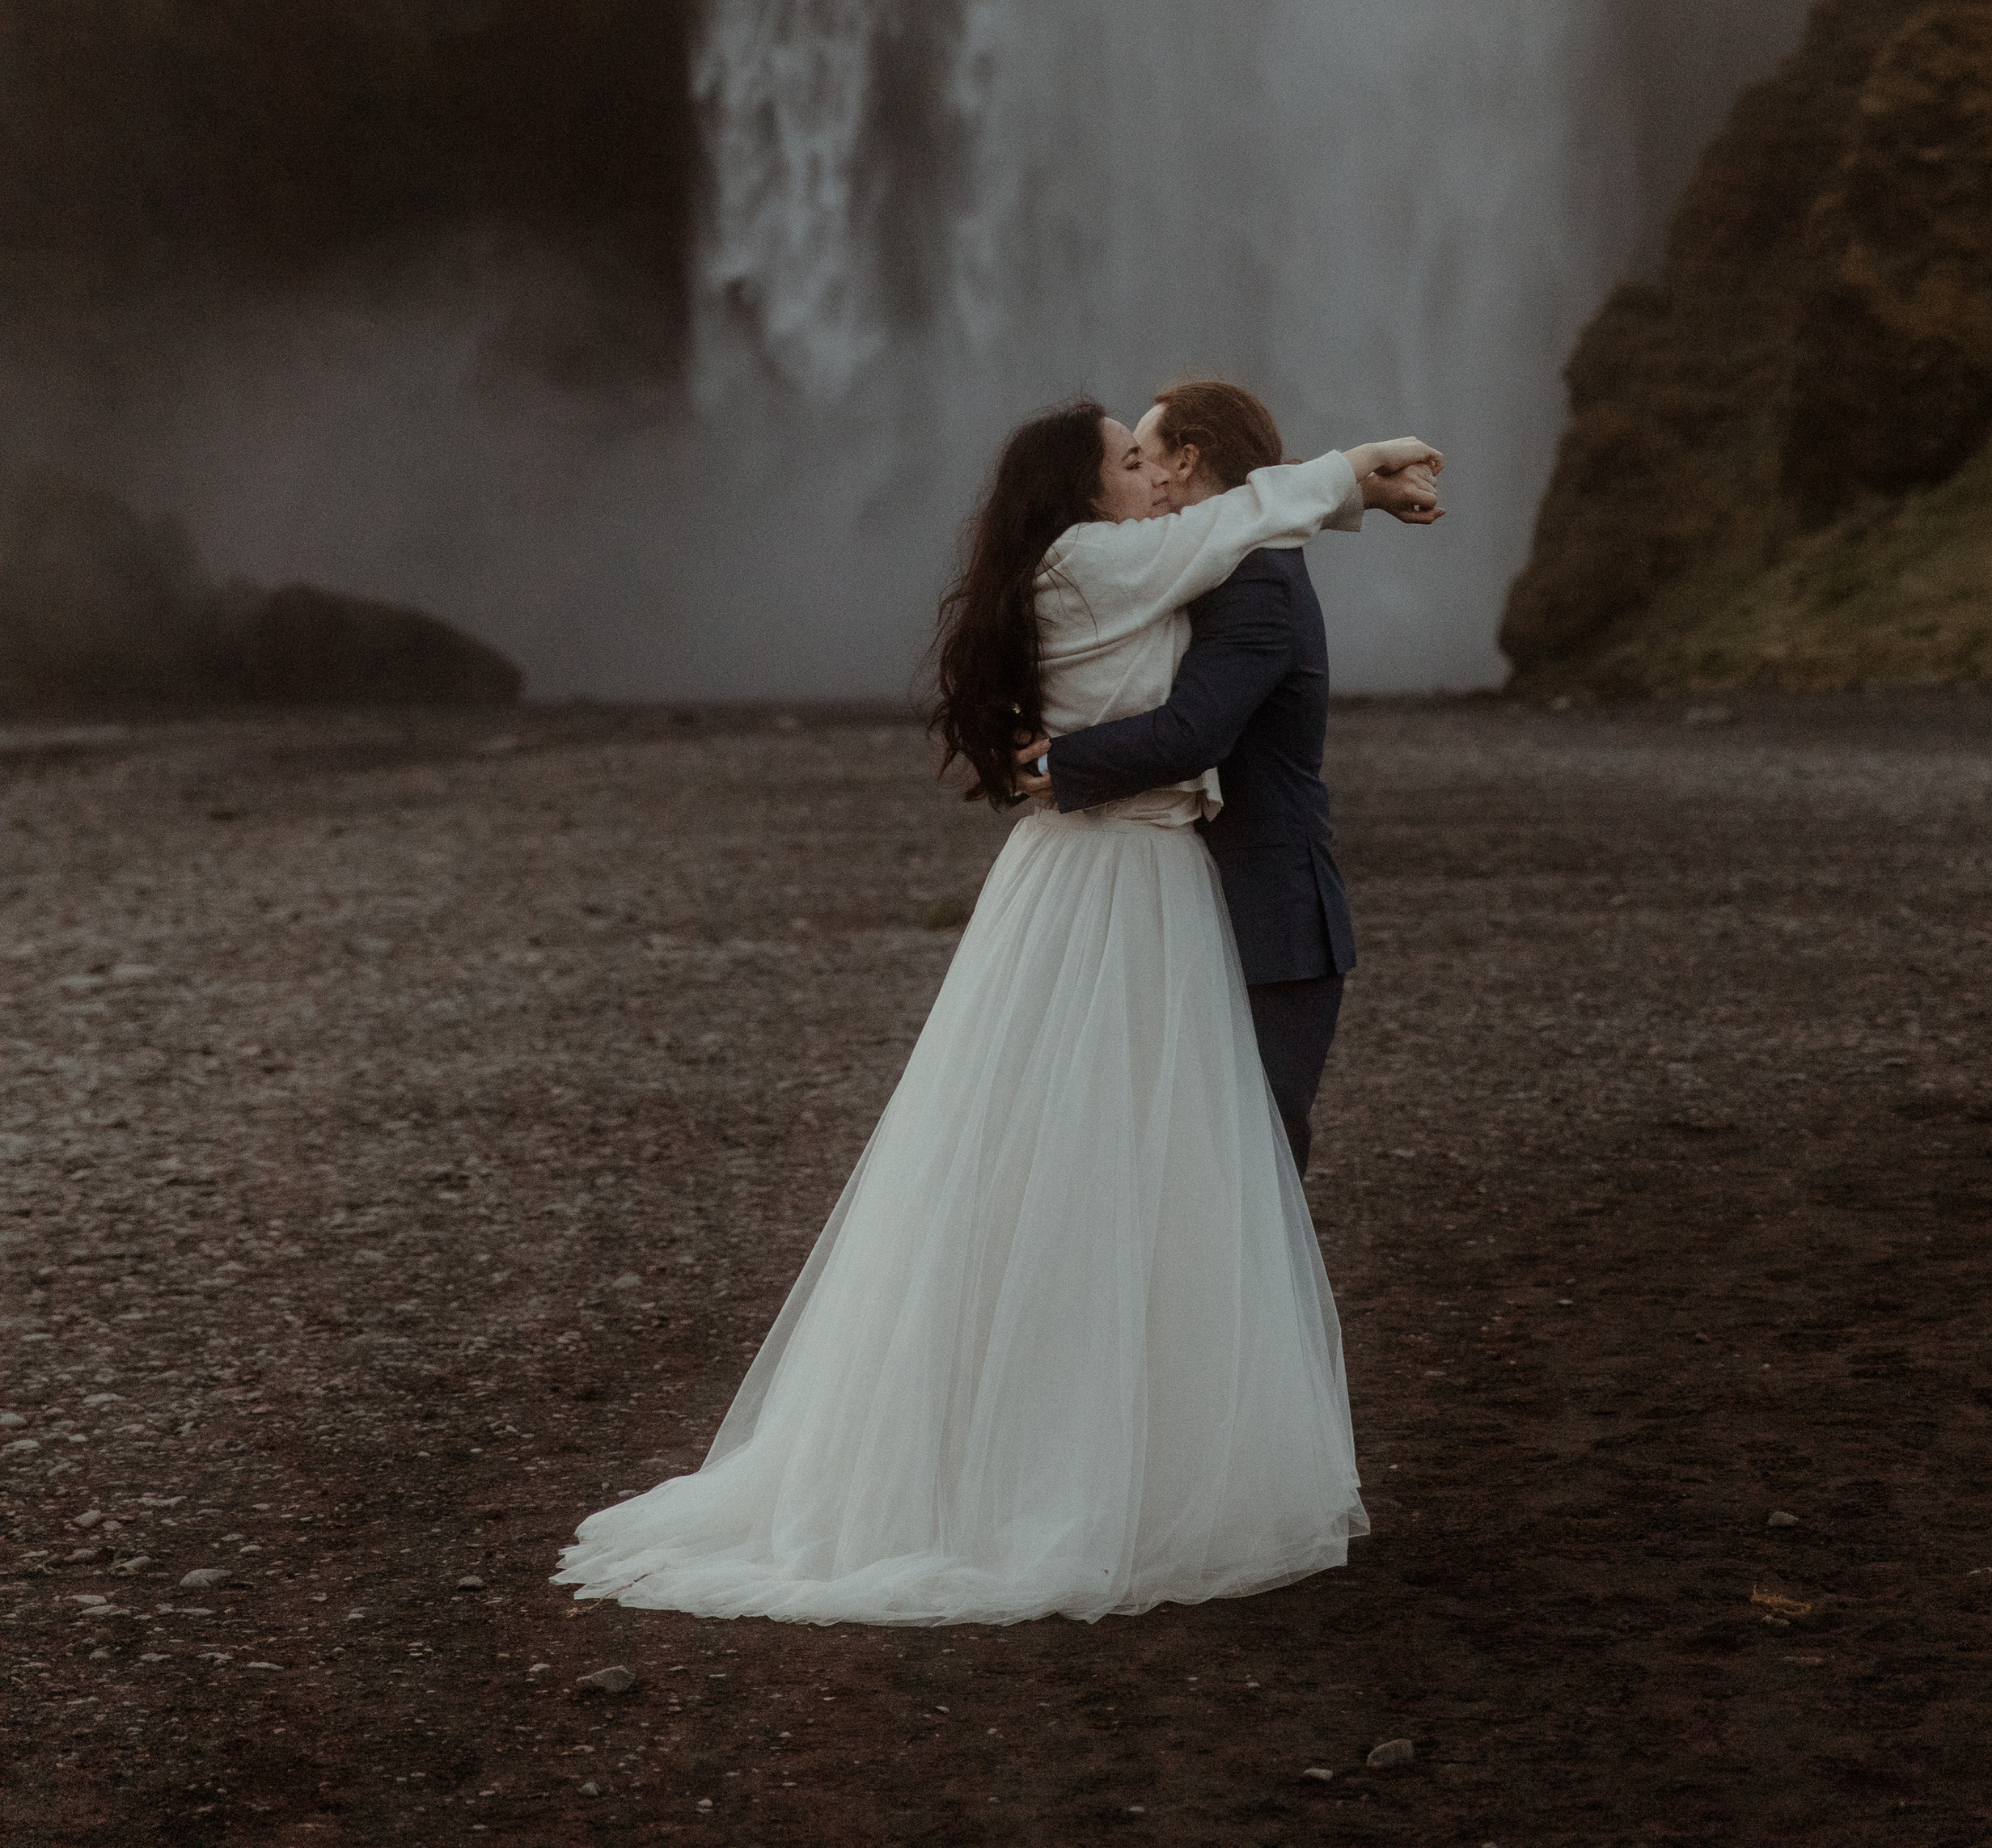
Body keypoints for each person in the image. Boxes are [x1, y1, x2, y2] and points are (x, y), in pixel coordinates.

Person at [554, 400, 1442, 1627]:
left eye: (1158, 452)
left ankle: (1068, 1431)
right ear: (1082, 495)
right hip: (1120, 879)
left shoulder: (1103, 566)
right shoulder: (1098, 562)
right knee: (1115, 1160)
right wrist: (1354, 471)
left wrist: (1348, 493)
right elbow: (1228, 536)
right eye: (1130, 459)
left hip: (1107, 877)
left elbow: (1231, 532)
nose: (1151, 472)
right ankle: (1082, 1458)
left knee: (1078, 1156)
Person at [1017, 379, 1437, 1174]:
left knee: (1254, 1161)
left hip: (1268, 917)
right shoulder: (1206, 572)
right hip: (1206, 902)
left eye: (1145, 455)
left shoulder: (1258, 586)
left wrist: (1055, 762)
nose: (1142, 477)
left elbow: (1194, 732)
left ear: (1186, 458)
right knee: (1186, 1154)